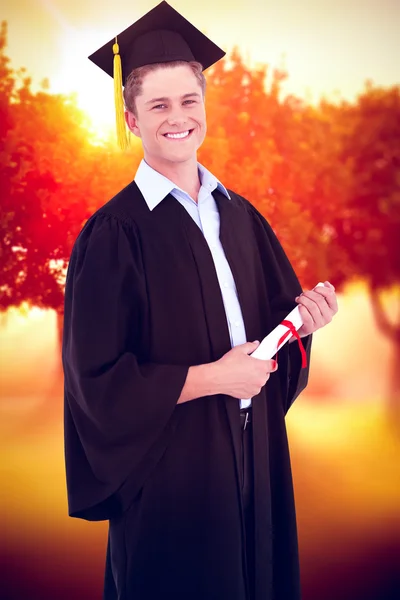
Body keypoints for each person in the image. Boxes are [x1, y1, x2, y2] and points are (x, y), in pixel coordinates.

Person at [61, 2, 338, 599]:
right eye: (158, 105)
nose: (178, 117)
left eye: (189, 101)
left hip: (255, 456)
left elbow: (272, 342)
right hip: (171, 472)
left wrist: (304, 322)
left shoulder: (241, 217)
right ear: (131, 119)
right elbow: (96, 384)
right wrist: (214, 378)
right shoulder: (114, 234)